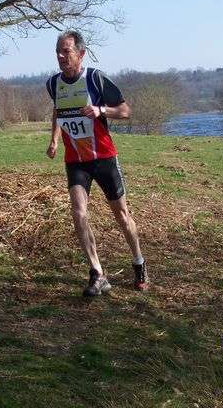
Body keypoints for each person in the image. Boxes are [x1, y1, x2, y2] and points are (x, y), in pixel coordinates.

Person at [45, 30, 149, 297]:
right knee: (78, 212)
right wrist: (54, 139)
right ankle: (97, 273)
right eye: (58, 52)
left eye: (66, 51)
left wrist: (101, 110)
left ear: (80, 54)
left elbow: (125, 111)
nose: (61, 56)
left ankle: (139, 262)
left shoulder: (95, 78)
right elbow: (58, 110)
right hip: (76, 161)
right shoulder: (53, 83)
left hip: (104, 158)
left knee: (122, 216)